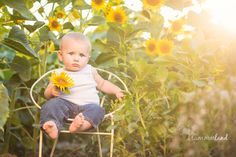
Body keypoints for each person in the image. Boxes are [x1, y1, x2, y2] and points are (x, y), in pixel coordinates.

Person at [40, 32, 124, 139]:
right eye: (71, 54)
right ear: (61, 55)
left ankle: (80, 125)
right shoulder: (58, 73)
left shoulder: (90, 71)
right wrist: (52, 91)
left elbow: (103, 84)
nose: (76, 59)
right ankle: (52, 125)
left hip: (88, 107)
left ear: (88, 58)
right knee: (51, 104)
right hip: (65, 106)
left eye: (81, 55)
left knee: (98, 110)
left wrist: (117, 90)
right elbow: (46, 94)